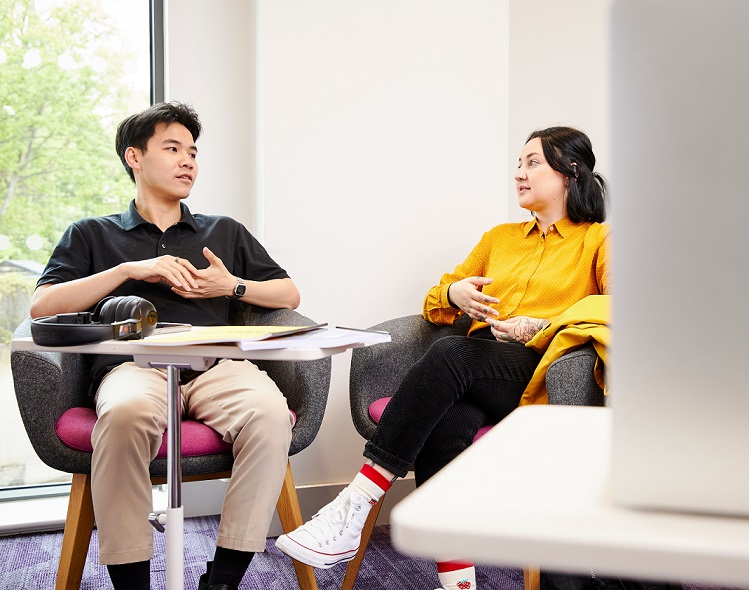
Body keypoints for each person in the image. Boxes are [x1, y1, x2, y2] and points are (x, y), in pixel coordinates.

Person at [276, 126, 610, 590]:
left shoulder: (597, 241)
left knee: (452, 351)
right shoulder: (499, 238)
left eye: (532, 162)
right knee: (447, 423)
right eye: (518, 163)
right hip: (482, 370)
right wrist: (456, 293)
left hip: (544, 371)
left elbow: (620, 310)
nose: (519, 173)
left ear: (570, 173)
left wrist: (538, 326)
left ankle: (356, 504)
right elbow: (437, 299)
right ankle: (459, 585)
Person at [30, 102, 300, 590]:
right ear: (134, 157)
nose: (188, 162)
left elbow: (288, 294)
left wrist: (231, 287)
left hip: (218, 366)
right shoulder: (92, 234)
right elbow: (42, 306)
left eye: (193, 152)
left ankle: (221, 579)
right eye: (172, 149)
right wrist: (128, 271)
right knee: (126, 413)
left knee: (269, 413)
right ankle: (132, 583)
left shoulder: (223, 231)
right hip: (136, 366)